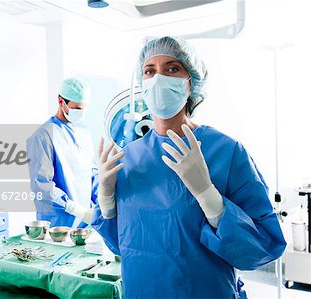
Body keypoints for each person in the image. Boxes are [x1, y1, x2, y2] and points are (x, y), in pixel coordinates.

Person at [92, 36, 286, 298]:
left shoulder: (225, 151)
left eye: (172, 69)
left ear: (190, 81)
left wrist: (209, 197)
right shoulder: (128, 158)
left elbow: (262, 248)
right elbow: (122, 245)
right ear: (141, 83)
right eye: (150, 71)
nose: (158, 79)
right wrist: (105, 201)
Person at [26, 78, 98, 228]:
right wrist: (74, 209)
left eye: (84, 108)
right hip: (57, 223)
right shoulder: (43, 136)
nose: (81, 113)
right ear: (61, 101)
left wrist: (103, 202)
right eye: (77, 109)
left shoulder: (84, 133)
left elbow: (92, 174)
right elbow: (42, 186)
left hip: (85, 222)